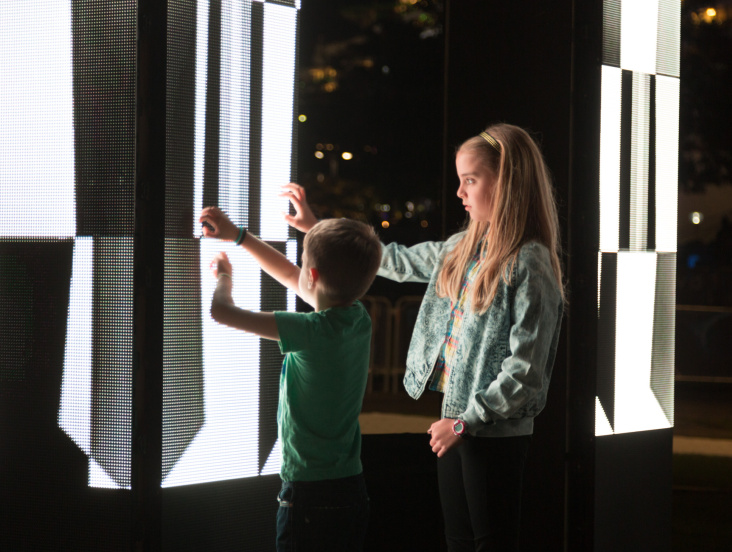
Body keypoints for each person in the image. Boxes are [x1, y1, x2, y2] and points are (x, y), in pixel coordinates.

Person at [281, 123, 565, 551]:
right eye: (460, 180)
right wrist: (317, 227)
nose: (460, 192)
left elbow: (525, 373)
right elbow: (393, 260)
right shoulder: (460, 248)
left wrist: (464, 423)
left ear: (507, 182)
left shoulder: (530, 262)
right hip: (454, 425)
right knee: (458, 542)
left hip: (492, 436)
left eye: (471, 180)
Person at [199, 206, 382, 552]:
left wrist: (224, 276)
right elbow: (288, 274)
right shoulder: (359, 319)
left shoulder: (310, 331)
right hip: (350, 488)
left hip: (309, 494)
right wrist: (239, 236)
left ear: (311, 275)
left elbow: (222, 312)